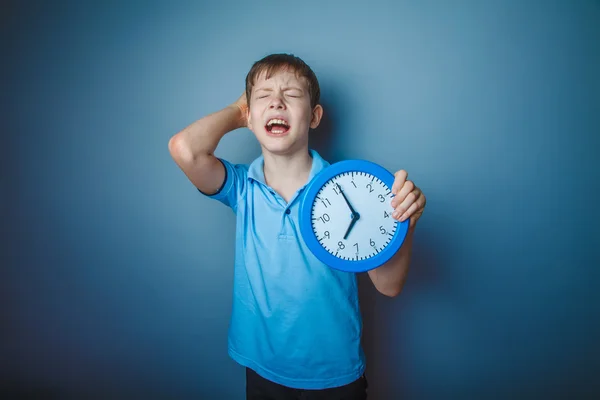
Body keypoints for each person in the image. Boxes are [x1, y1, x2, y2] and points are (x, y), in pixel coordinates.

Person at [168, 53, 426, 399]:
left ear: (315, 116)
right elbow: (185, 149)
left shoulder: (350, 188)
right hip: (262, 368)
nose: (276, 101)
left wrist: (403, 224)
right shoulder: (243, 188)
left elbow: (389, 286)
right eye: (263, 96)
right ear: (250, 114)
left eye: (291, 95)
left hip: (334, 375)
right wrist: (238, 111)